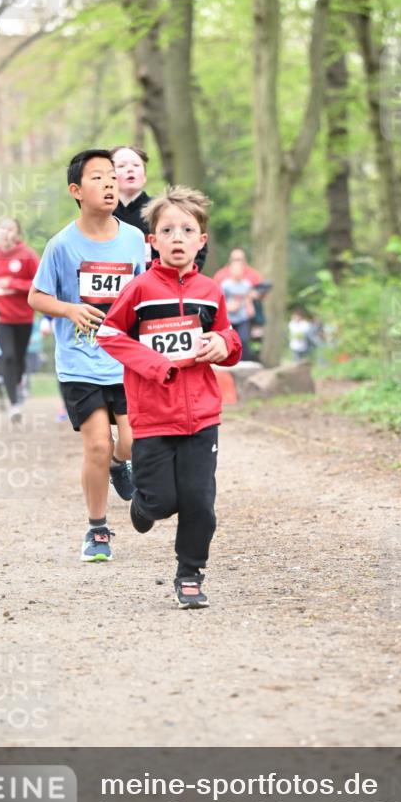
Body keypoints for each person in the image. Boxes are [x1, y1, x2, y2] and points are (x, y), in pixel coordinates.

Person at [97, 185, 242, 608]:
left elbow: (228, 336)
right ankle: (143, 507)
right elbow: (108, 334)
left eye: (187, 229)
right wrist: (157, 365)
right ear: (152, 241)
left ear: (201, 241)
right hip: (153, 413)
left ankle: (190, 573)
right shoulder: (140, 289)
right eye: (167, 230)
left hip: (201, 415)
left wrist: (223, 344)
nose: (177, 237)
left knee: (199, 500)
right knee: (162, 502)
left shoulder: (210, 290)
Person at [28, 148, 145, 562]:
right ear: (76, 190)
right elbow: (35, 296)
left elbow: (145, 292)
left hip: (125, 361)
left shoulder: (134, 239)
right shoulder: (61, 245)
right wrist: (69, 308)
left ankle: (119, 464)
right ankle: (97, 530)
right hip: (80, 361)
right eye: (98, 178)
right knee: (96, 444)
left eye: (112, 176)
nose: (110, 183)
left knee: (129, 443)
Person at [111, 145, 208, 271]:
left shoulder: (163, 210)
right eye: (122, 166)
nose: (130, 169)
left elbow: (197, 250)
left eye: (136, 165)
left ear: (144, 176)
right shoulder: (101, 215)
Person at [0, 218, 40, 423]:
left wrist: (14, 283)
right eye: (2, 228)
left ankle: (19, 380)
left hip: (23, 317)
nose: (5, 233)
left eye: (10, 229)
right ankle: (14, 404)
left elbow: (39, 283)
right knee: (7, 357)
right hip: (1, 318)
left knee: (19, 357)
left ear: (17, 234)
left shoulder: (27, 255)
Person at [220, 257, 254, 360]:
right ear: (230, 270)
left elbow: (248, 297)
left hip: (242, 317)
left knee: (243, 339)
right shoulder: (225, 285)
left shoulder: (246, 284)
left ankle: (242, 360)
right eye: (235, 269)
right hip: (229, 318)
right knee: (229, 340)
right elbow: (220, 301)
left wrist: (250, 307)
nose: (238, 272)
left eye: (240, 269)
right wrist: (228, 307)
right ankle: (229, 359)